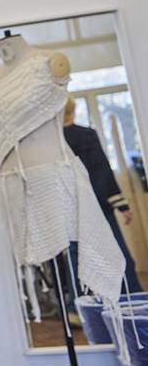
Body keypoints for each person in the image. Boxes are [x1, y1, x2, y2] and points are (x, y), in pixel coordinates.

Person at [63, 98, 142, 292]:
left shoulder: (54, 143)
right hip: (97, 204)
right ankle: (131, 294)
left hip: (70, 207)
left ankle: (78, 304)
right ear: (73, 111)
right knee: (116, 249)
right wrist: (121, 204)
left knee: (76, 255)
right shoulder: (86, 135)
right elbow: (101, 171)